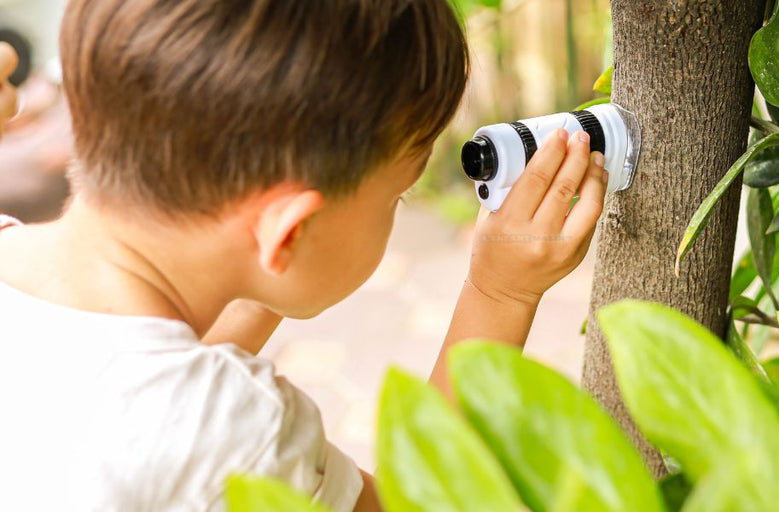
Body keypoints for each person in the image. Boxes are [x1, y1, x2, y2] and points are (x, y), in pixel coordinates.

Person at [0, 1, 606, 511]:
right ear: (287, 233)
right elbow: (420, 500)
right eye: (399, 194)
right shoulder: (240, 431)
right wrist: (500, 293)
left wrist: (274, 275)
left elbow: (136, 384)